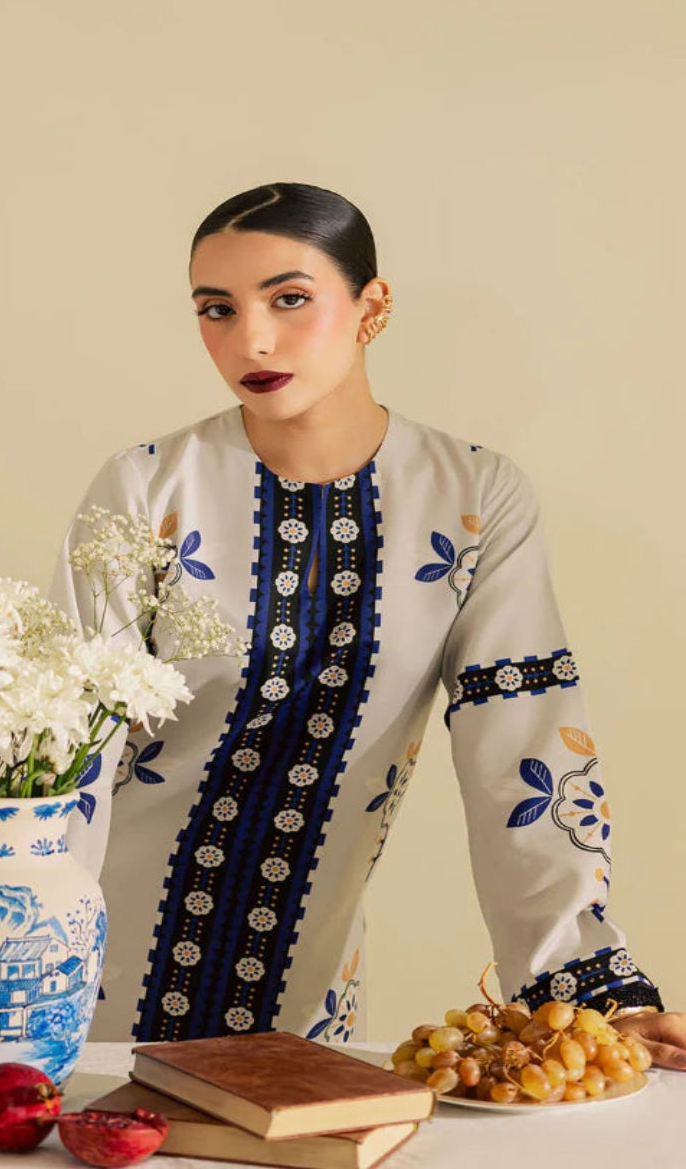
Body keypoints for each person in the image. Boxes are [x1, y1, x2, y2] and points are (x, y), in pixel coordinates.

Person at [50, 182, 686, 1067]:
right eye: (217, 310)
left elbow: (526, 757)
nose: (252, 340)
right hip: (86, 979)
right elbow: (60, 745)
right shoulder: (150, 486)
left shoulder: (471, 497)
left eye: (290, 298)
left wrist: (587, 995)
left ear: (372, 305)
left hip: (302, 989)